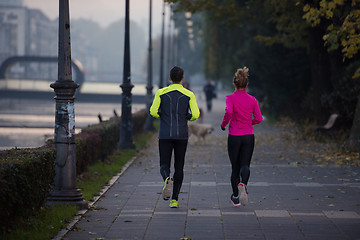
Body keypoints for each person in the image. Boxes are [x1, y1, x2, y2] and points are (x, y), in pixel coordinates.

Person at [150, 66, 200, 208]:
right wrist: (186, 117)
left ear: (169, 78)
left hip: (165, 134)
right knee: (179, 166)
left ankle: (166, 178)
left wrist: (162, 115)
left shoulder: (161, 92)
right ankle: (174, 200)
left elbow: (153, 112)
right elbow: (195, 115)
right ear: (182, 79)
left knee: (164, 164)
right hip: (182, 135)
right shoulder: (189, 94)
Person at [220, 67, 263, 206]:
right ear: (246, 84)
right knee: (245, 164)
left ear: (234, 83)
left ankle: (235, 196)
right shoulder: (252, 99)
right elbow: (259, 118)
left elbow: (229, 112)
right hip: (248, 136)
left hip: (234, 135)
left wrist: (223, 124)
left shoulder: (230, 98)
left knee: (235, 168)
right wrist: (249, 122)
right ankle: (243, 184)